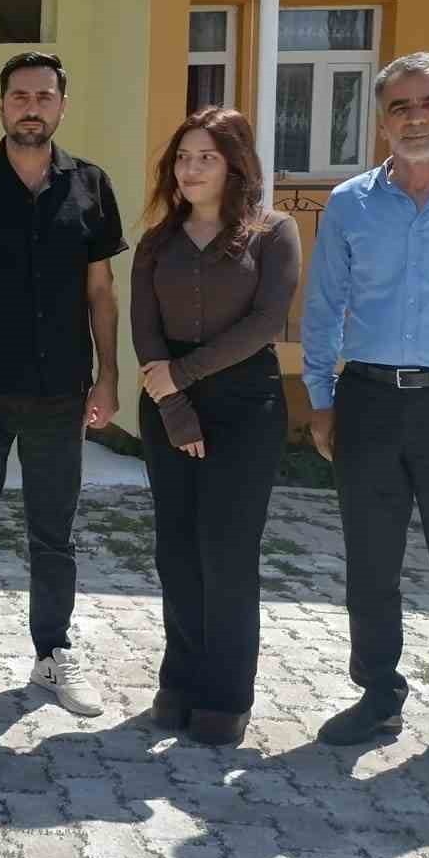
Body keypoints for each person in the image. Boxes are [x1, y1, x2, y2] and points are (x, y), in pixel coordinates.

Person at [302, 52, 429, 785]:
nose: (416, 117)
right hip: (370, 403)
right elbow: (324, 304)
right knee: (371, 562)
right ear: (381, 121)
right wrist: (320, 399)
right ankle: (378, 696)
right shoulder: (350, 203)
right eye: (400, 106)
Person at [0, 51, 125, 719]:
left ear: (62, 105)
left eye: (43, 96)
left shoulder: (91, 186)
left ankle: (52, 655)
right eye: (19, 96)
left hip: (60, 392)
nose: (31, 108)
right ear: (2, 105)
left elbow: (101, 293)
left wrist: (108, 377)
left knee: (54, 536)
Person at [132, 108, 300, 746]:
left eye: (206, 156)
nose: (191, 168)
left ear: (234, 164)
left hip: (245, 405)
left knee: (226, 551)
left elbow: (266, 323)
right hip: (165, 402)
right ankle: (180, 679)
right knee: (176, 550)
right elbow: (145, 330)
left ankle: (226, 695)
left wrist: (183, 377)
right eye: (183, 156)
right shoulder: (156, 242)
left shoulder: (273, 232)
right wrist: (175, 407)